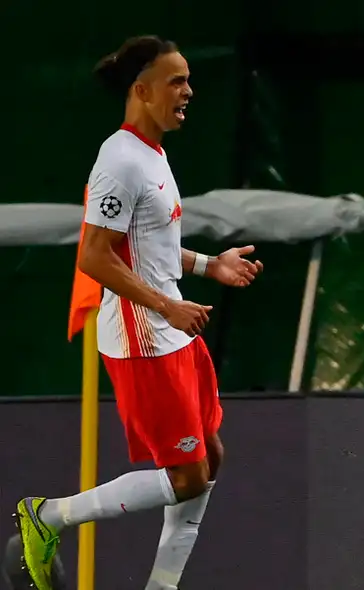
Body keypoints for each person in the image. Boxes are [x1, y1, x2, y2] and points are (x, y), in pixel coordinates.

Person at [13, 36, 264, 590]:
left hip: (170, 329)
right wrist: (166, 305)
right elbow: (94, 256)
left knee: (210, 457)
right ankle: (47, 516)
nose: (189, 91)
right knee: (186, 475)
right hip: (142, 337)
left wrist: (208, 266)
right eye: (177, 81)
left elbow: (147, 245)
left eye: (188, 80)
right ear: (141, 90)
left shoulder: (152, 155)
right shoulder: (119, 160)